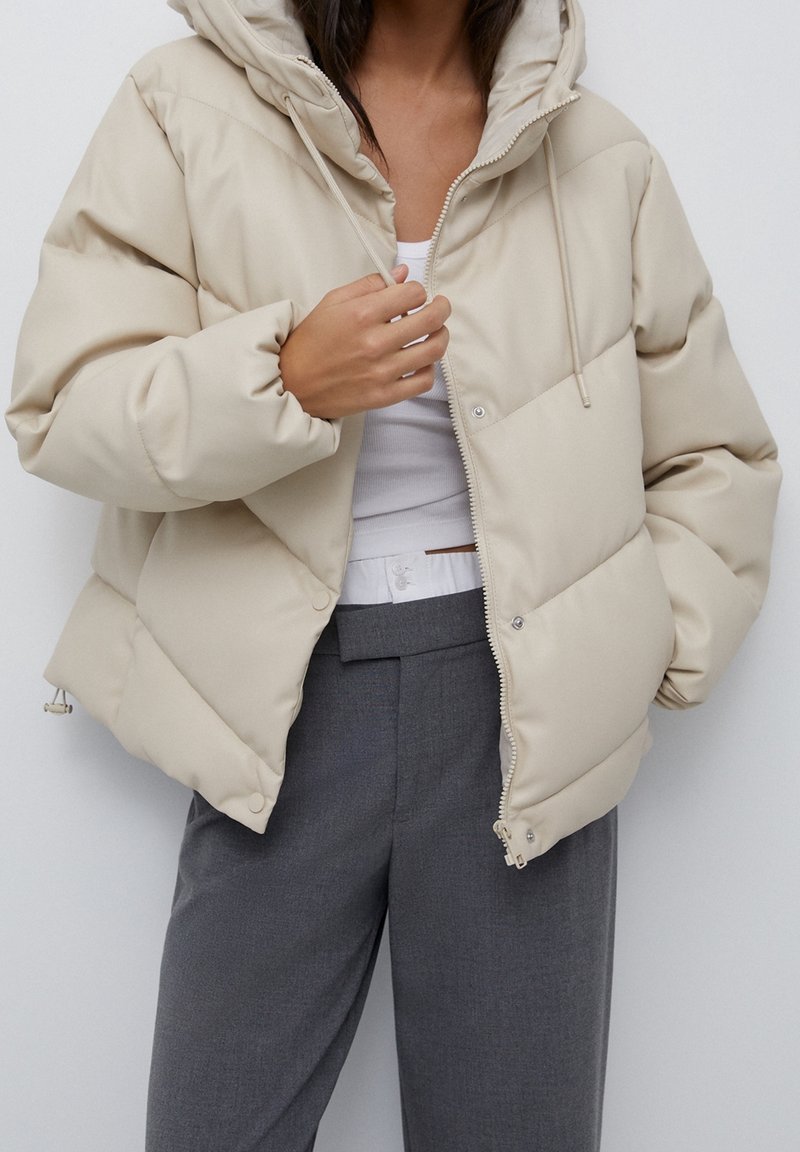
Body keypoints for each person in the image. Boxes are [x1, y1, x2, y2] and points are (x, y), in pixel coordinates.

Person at [5, 0, 781, 1149]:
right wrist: (282, 379)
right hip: (279, 712)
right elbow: (63, 409)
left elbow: (715, 456)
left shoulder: (595, 155)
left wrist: (630, 653)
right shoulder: (184, 106)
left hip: (520, 722)